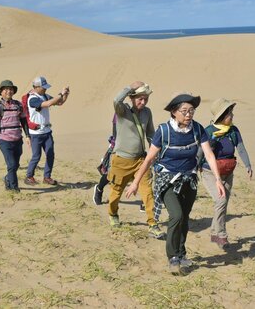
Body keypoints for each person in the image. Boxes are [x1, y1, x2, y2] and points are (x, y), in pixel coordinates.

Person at [125, 93, 226, 275]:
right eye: (184, 111)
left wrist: (218, 179)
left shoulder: (197, 129)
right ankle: (172, 257)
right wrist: (135, 183)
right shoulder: (164, 131)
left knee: (185, 219)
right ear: (174, 112)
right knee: (176, 216)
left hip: (189, 179)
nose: (189, 115)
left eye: (191, 111)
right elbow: (149, 159)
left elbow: (209, 155)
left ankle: (181, 253)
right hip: (167, 180)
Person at [107, 81, 164, 240]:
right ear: (132, 98)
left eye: (145, 98)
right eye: (139, 98)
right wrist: (129, 87)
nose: (143, 102)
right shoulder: (122, 110)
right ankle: (113, 213)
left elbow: (151, 134)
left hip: (141, 160)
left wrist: (156, 151)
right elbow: (116, 100)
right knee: (116, 193)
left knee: (148, 193)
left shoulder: (147, 113)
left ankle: (153, 224)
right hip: (121, 160)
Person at [199, 98, 253, 249]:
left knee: (222, 204)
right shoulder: (209, 131)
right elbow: (202, 152)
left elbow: (241, 148)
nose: (232, 116)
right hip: (210, 172)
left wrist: (248, 165)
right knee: (220, 201)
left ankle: (214, 232)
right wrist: (213, 141)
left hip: (228, 171)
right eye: (229, 113)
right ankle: (221, 234)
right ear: (222, 115)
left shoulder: (234, 131)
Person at [24, 76, 70, 186]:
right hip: (36, 134)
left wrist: (66, 94)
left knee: (50, 155)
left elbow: (59, 102)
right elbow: (48, 104)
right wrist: (60, 94)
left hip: (47, 132)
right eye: (43, 87)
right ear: (36, 87)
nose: (45, 89)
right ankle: (29, 176)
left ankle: (47, 177)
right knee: (36, 156)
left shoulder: (45, 95)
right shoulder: (32, 99)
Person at [0, 80, 30, 192]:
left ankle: (7, 178)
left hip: (18, 139)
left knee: (15, 165)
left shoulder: (18, 105)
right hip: (4, 140)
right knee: (11, 164)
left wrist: (27, 136)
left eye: (11, 89)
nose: (9, 91)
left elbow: (23, 120)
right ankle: (14, 188)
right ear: (1, 92)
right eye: (6, 89)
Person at [93, 114, 117, 205]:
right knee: (110, 173)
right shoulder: (119, 113)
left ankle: (144, 203)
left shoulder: (141, 112)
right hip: (117, 148)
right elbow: (116, 134)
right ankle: (99, 188)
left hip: (134, 149)